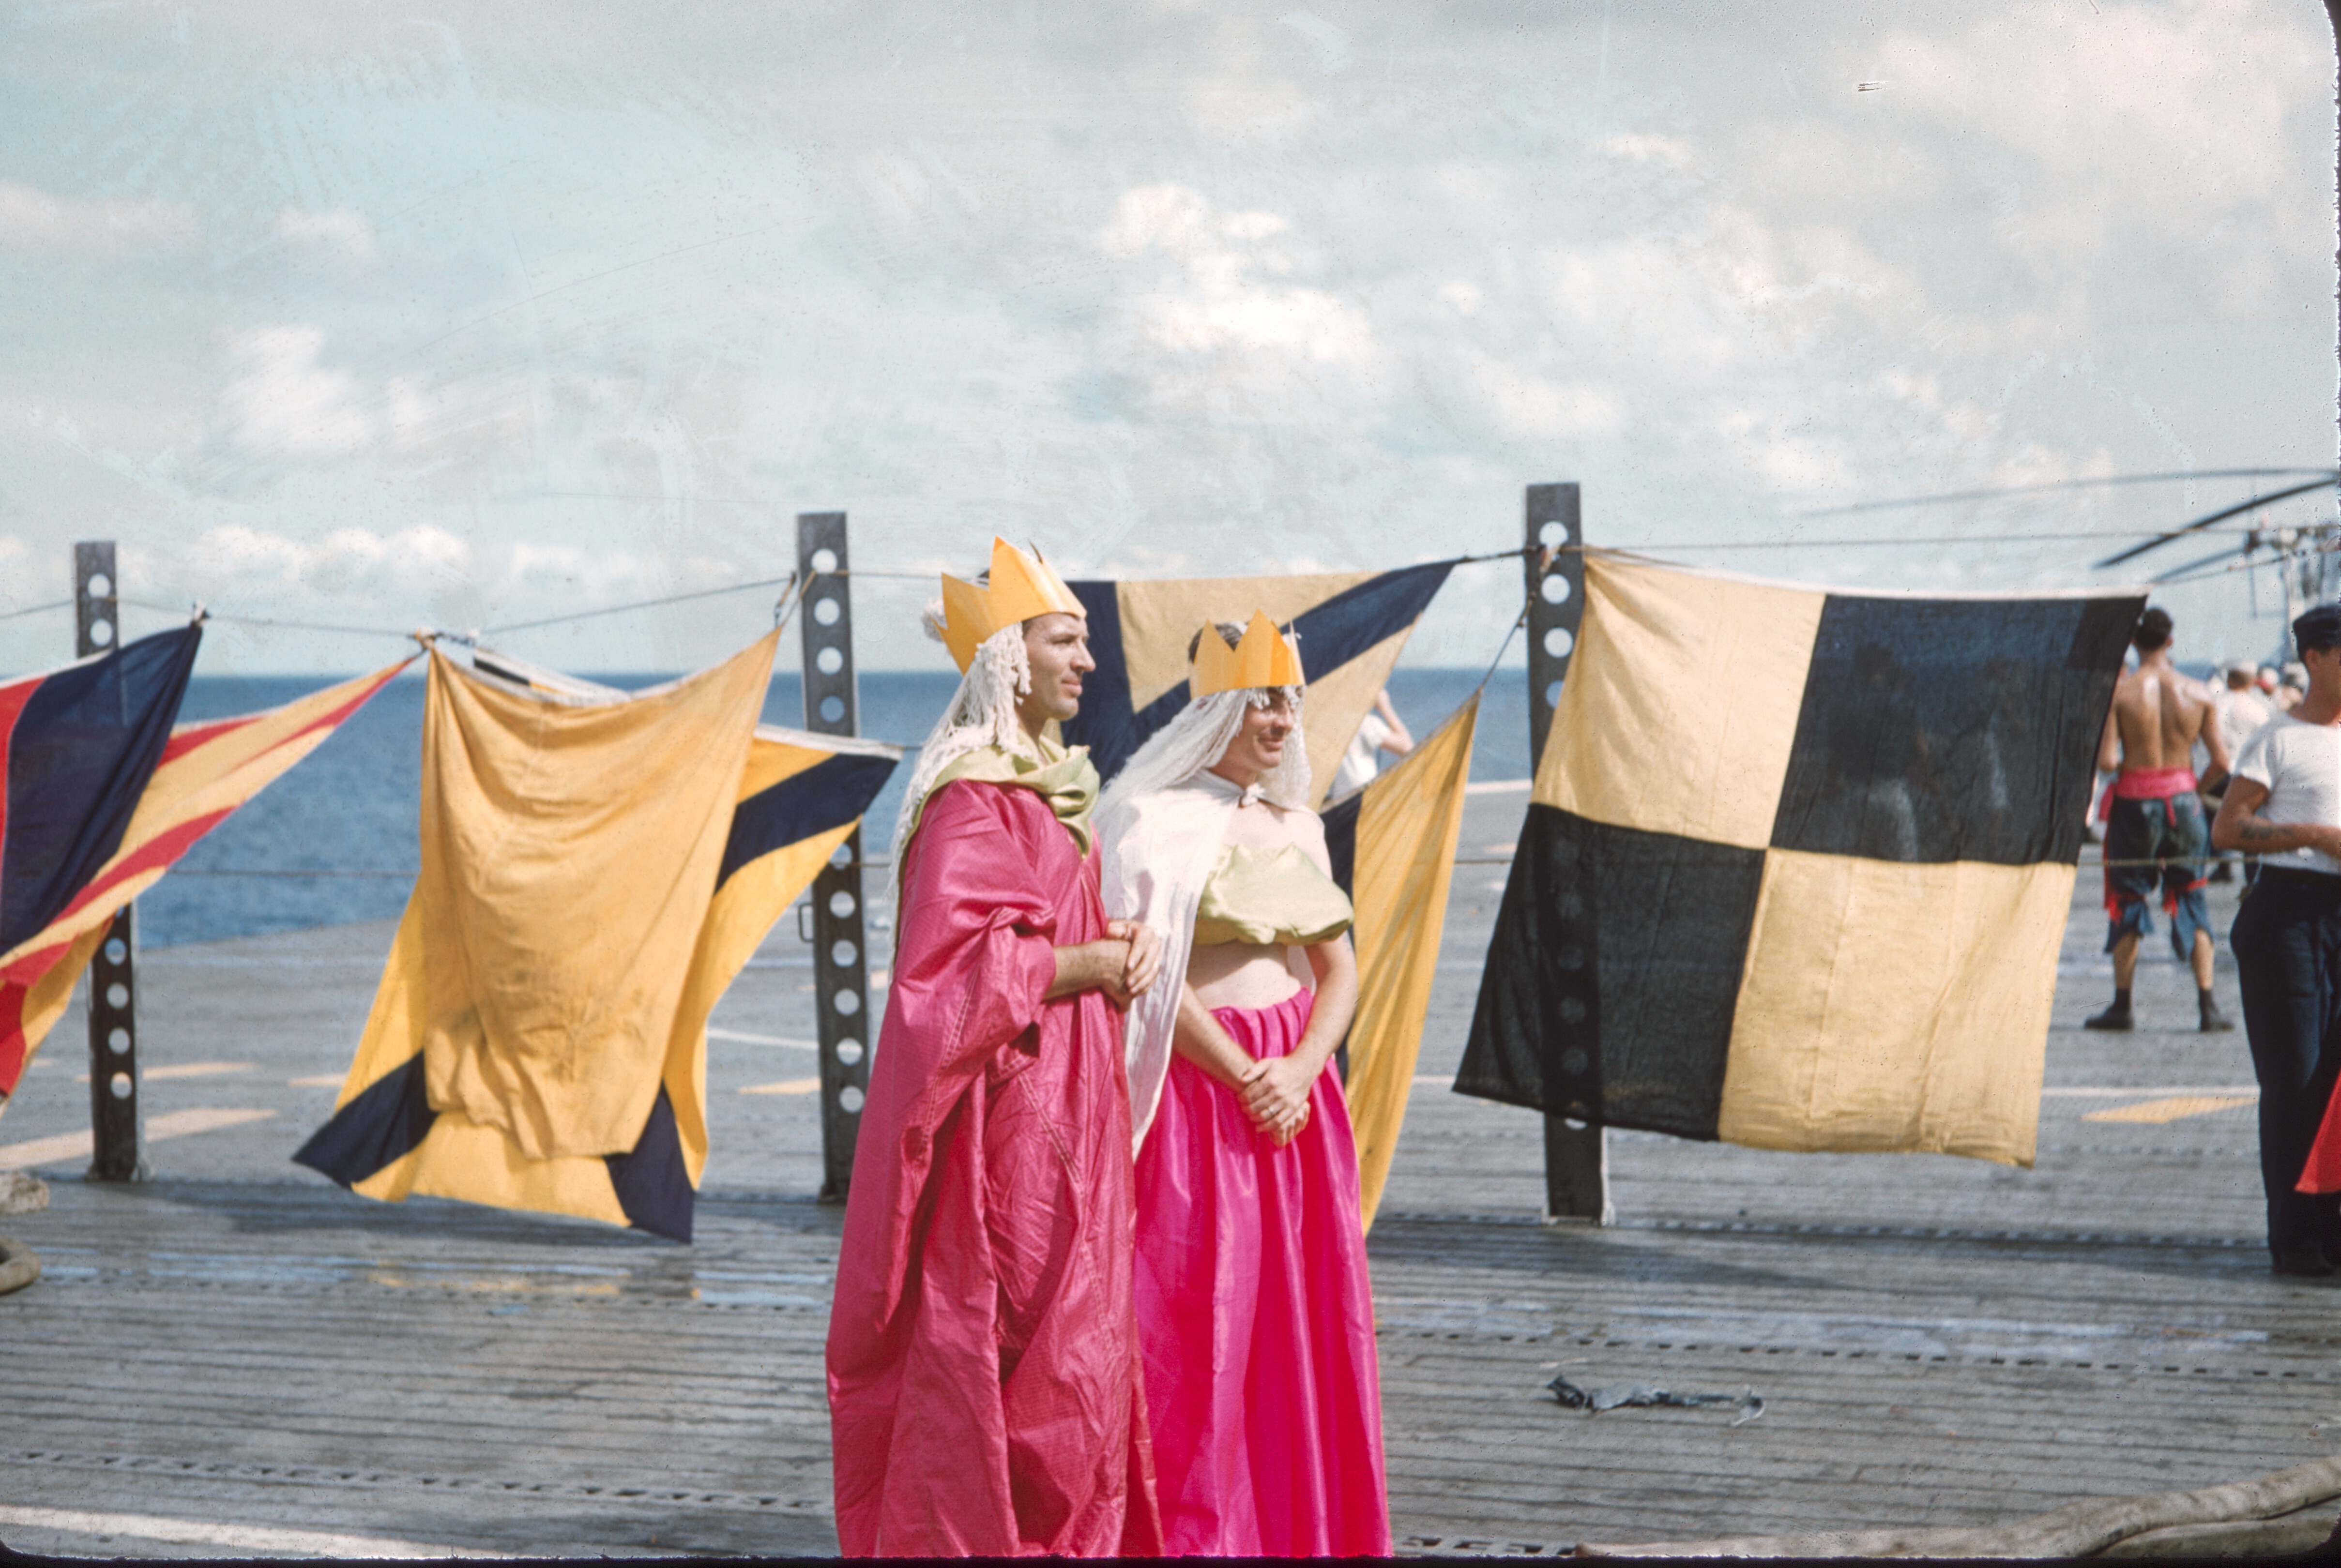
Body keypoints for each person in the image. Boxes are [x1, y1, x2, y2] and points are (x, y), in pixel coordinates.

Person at [826, 537, 1165, 1556]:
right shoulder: (972, 800)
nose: (1089, 661)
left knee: (1079, 1349)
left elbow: (1036, 933)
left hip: (1072, 1104)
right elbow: (949, 982)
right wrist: (1091, 965)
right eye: (1066, 640)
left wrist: (1111, 942)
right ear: (1009, 657)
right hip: (1014, 1125)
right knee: (1030, 1349)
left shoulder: (1043, 788)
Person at [1096, 612, 1391, 1558]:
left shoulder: (1299, 824)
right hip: (1200, 1094)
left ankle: (1302, 1531)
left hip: (1296, 1097)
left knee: (1303, 1319)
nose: (1282, 718)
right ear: (1217, 706)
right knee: (1199, 1315)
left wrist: (1300, 1070)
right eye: (1264, 699)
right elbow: (1142, 973)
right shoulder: (1148, 820)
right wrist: (1243, 1074)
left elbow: (1338, 970)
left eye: (1290, 700)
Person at [2212, 603, 2341, 1279]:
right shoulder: (2278, 739)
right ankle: (2295, 1237)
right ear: (2314, 658)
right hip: (2290, 911)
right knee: (2296, 1078)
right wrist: (2316, 837)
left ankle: (2333, 1229)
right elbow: (2230, 827)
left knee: (2337, 1081)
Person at [2086, 606, 2234, 1033]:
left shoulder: (2121, 693)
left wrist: (2137, 770)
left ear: (2135, 641)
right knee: (2192, 895)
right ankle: (2208, 1006)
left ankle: (2122, 1006)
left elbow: (2108, 761)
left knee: (2128, 899)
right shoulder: (2198, 693)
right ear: (2171, 641)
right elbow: (2222, 762)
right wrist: (2192, 788)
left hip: (2135, 803)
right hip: (2184, 801)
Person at [2207, 659, 2275, 883]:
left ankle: (2223, 866)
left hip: (2216, 773)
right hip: (2247, 774)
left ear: (2229, 679)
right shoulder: (2258, 709)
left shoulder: (2215, 704)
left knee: (2215, 821)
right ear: (2252, 681)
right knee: (2249, 826)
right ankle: (2252, 879)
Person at [1326, 687, 1414, 799]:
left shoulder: (1325, 723)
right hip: (1362, 796)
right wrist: (1384, 707)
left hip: (1336, 799)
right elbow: (1407, 747)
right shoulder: (1363, 722)